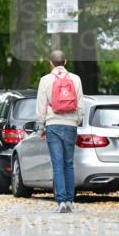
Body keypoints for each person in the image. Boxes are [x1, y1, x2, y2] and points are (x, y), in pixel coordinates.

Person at [36, 49, 84, 213]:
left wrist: (41, 127)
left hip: (53, 124)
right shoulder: (76, 79)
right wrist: (76, 121)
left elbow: (41, 106)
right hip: (70, 125)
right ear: (66, 62)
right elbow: (81, 104)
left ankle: (61, 202)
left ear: (51, 63)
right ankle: (70, 201)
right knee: (69, 163)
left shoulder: (45, 80)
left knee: (57, 164)